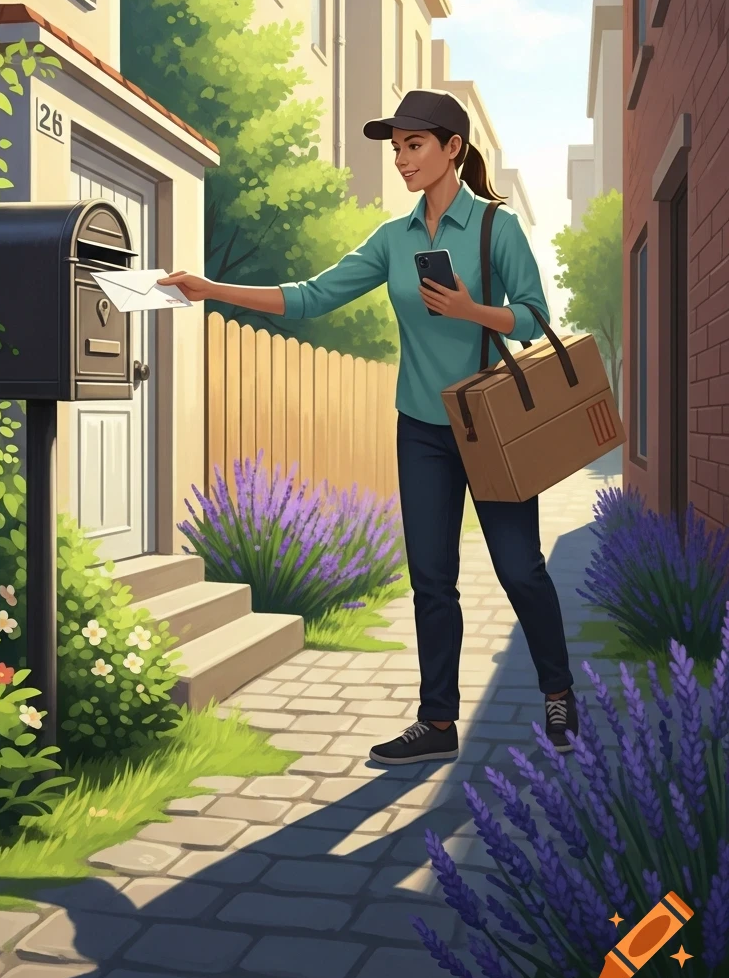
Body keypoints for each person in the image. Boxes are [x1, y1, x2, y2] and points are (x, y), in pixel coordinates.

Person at [159, 89, 578, 764]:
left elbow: (533, 317)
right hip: (422, 427)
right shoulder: (394, 239)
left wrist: (476, 311)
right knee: (431, 580)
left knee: (520, 569)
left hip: (491, 426)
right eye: (396, 149)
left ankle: (558, 692)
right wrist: (211, 288)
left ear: (453, 149)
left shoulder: (496, 227)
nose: (403, 160)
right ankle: (437, 723)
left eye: (415, 145)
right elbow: (310, 297)